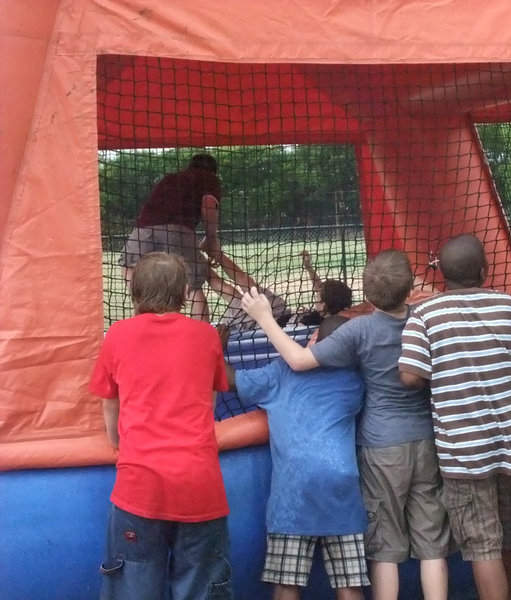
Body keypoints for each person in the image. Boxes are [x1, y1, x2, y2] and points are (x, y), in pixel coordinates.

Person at [240, 250, 450, 600]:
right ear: (410, 288)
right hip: (425, 440)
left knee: (384, 548)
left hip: (382, 447)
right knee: (433, 546)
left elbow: (298, 360)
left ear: (366, 297)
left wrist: (264, 317)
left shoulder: (360, 330)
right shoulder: (423, 319)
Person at [89, 252, 233, 600]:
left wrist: (118, 442)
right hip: (199, 483)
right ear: (185, 291)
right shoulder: (206, 336)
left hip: (141, 483)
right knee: (202, 587)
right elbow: (210, 403)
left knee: (132, 588)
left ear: (135, 292)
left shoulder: (118, 335)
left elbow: (111, 403)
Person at [397, 234, 511, 600]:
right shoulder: (507, 306)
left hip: (464, 452)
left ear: (440, 274)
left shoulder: (426, 314)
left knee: (481, 543)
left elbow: (411, 374)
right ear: (485, 271)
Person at [225, 315, 369, 600]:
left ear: (314, 339)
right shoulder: (355, 379)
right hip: (342, 488)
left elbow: (231, 381)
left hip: (294, 492)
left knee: (287, 583)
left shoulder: (283, 372)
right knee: (349, 584)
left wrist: (212, 345)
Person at [118, 153, 223, 322]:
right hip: (178, 229)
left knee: (128, 266)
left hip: (144, 228)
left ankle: (143, 315)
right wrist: (212, 239)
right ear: (214, 171)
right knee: (194, 285)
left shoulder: (172, 178)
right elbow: (208, 206)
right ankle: (200, 334)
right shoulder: (208, 179)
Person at [202, 243, 292, 330]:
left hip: (263, 324)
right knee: (247, 286)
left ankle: (198, 260)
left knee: (234, 295)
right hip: (279, 311)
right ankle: (205, 255)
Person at [298, 249, 353, 326]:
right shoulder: (348, 318)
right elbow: (318, 286)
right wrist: (309, 267)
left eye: (317, 298)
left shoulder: (313, 320)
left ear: (324, 304)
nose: (315, 299)